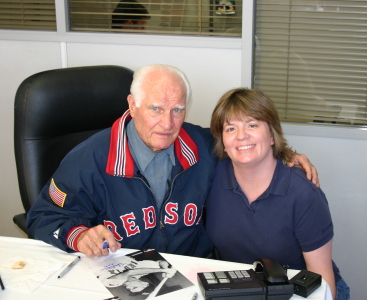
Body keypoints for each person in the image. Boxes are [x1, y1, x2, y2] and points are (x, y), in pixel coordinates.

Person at [26, 64, 318, 260]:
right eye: (156, 109)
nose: (167, 123)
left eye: (177, 110)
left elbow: (243, 146)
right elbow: (43, 217)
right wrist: (79, 236)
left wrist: (284, 155)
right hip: (123, 276)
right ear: (132, 105)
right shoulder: (87, 160)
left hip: (192, 273)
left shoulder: (202, 145)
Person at [205, 88, 350, 300]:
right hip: (243, 289)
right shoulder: (210, 176)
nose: (241, 136)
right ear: (222, 142)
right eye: (231, 128)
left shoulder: (303, 193)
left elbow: (322, 279)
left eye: (252, 125)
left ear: (272, 135)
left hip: (300, 292)